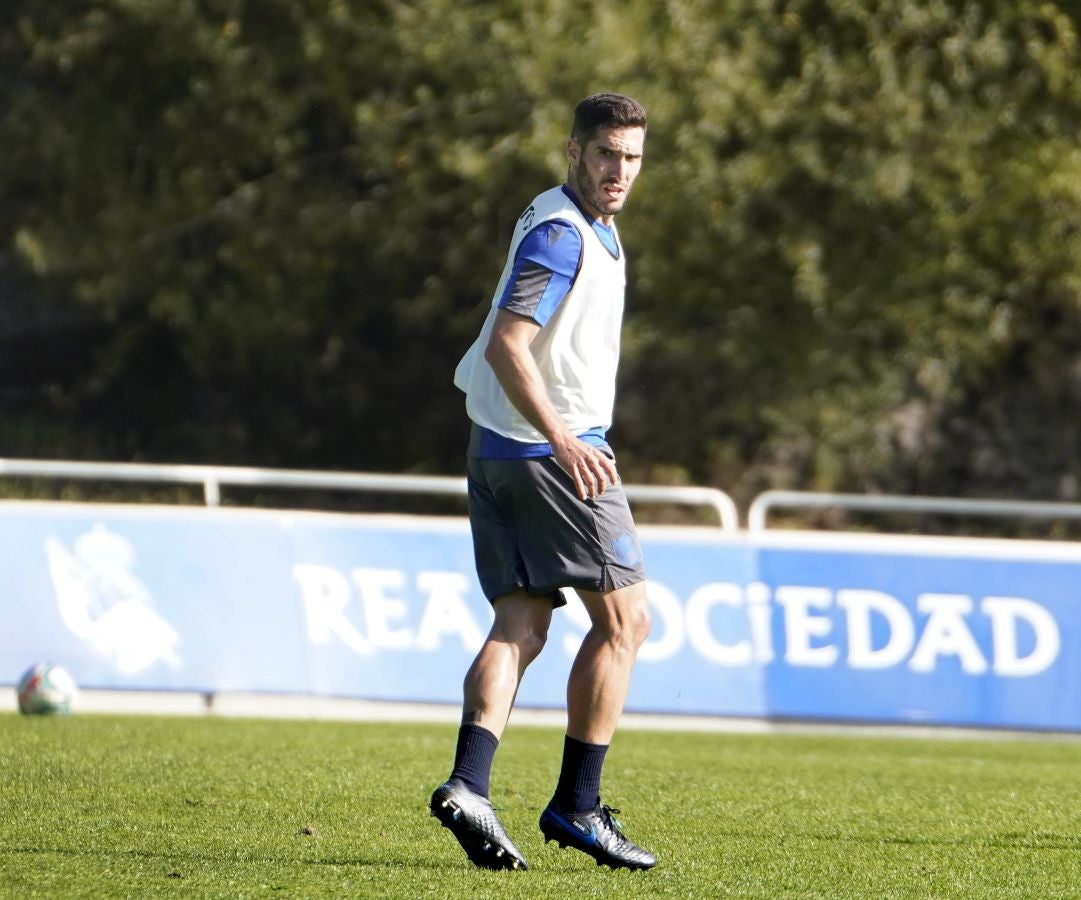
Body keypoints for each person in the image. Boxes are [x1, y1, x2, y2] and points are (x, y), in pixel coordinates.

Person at [428, 93, 656, 872]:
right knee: (626, 624)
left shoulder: (574, 221)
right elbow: (506, 344)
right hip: (550, 455)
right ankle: (579, 806)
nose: (618, 171)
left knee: (521, 624)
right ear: (573, 151)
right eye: (604, 155)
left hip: (495, 451)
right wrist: (562, 440)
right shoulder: (562, 235)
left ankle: (469, 785)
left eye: (630, 157)